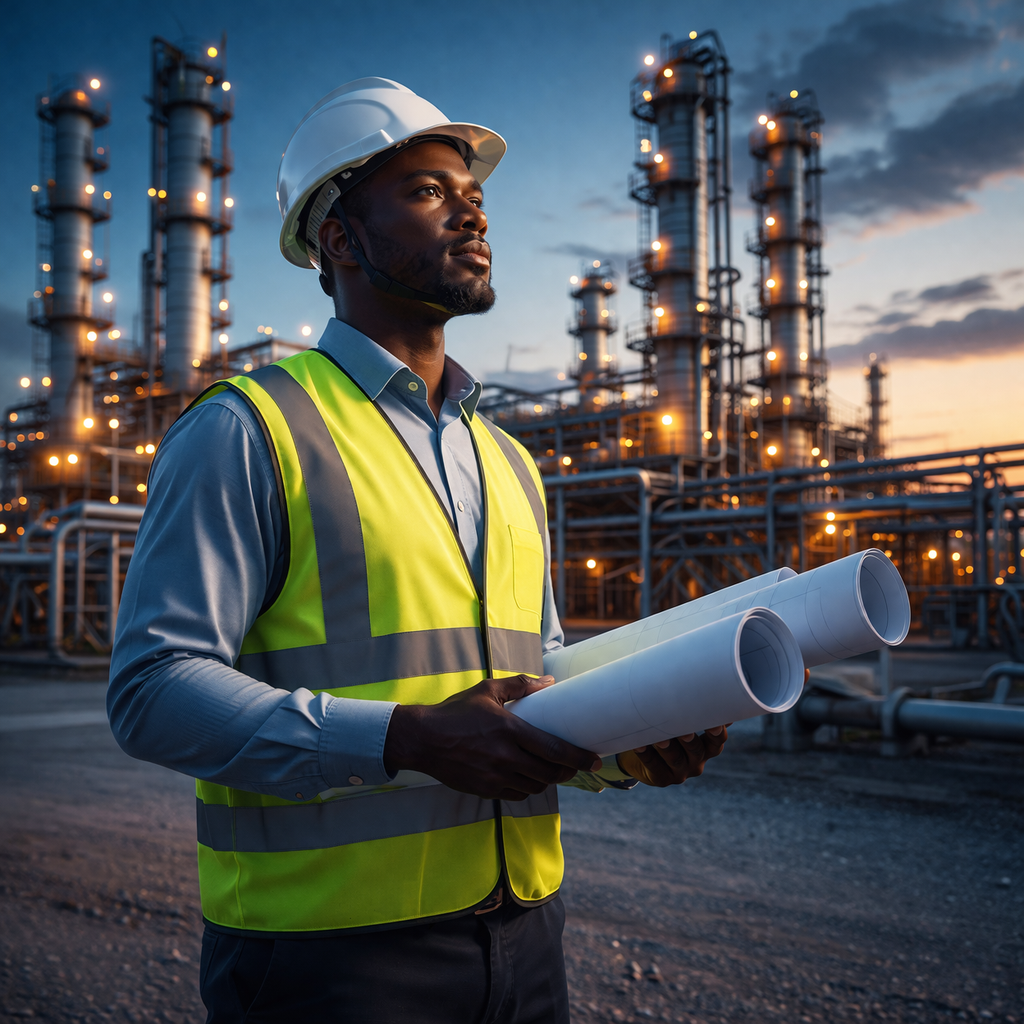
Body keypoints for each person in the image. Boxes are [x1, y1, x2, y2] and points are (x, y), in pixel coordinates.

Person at [108, 78, 729, 1024]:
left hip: (525, 937)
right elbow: (152, 688)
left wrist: (628, 741)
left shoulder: (510, 462)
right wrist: (407, 739)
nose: (472, 207)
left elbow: (533, 692)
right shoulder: (252, 429)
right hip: (324, 959)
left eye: (471, 191)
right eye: (429, 190)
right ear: (340, 239)